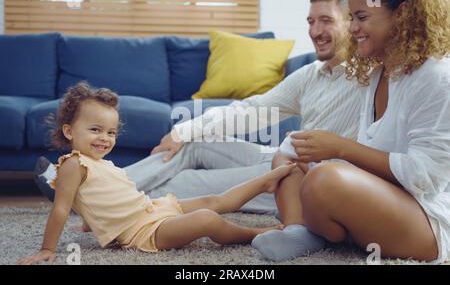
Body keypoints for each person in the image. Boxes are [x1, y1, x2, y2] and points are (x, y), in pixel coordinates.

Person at [35, 0, 361, 218]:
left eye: (326, 21)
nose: (315, 31)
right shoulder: (310, 74)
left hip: (305, 178)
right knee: (191, 144)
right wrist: (183, 130)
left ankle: (83, 195)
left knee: (181, 185)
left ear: (352, 22)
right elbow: (251, 110)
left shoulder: (374, 74)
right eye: (310, 21)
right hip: (283, 158)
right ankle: (84, 183)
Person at [252, 0, 450, 263]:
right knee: (289, 159)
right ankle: (299, 231)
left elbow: (427, 178)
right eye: (349, 18)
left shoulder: (435, 76)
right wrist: (314, 148)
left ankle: (317, 231)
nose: (352, 28)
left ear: (402, 13)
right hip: (382, 200)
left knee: (325, 179)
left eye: (361, 17)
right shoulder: (377, 75)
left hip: (426, 220)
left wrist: (342, 149)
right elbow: (370, 162)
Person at [18, 83, 297, 265]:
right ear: (69, 131)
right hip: (144, 231)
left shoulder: (103, 165)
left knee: (213, 200)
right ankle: (256, 233)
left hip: (150, 209)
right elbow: (60, 209)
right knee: (206, 219)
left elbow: (105, 199)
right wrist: (47, 249)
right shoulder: (73, 164)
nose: (104, 138)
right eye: (95, 130)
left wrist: (94, 220)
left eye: (111, 132)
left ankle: (265, 181)